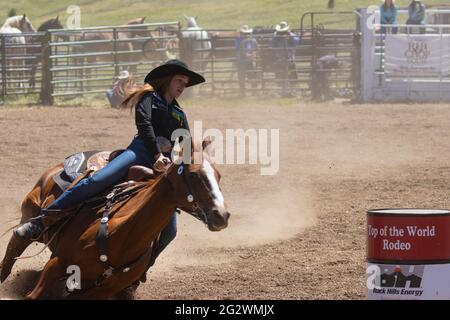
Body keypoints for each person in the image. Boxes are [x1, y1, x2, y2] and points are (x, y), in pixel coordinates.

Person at [15, 59, 205, 266]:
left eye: (185, 83)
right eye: (179, 80)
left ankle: (140, 268)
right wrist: (157, 154)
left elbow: (185, 143)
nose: (182, 86)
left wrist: (195, 153)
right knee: (95, 181)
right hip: (140, 152)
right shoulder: (149, 99)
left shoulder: (178, 113)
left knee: (170, 231)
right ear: (167, 80)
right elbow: (145, 126)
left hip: (163, 165)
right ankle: (40, 222)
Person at [270, 21, 300, 98]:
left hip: (290, 58)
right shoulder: (276, 37)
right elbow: (272, 44)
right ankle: (281, 91)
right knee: (280, 75)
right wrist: (276, 37)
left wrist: (290, 35)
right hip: (280, 58)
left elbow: (297, 41)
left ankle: (293, 91)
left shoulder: (291, 35)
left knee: (292, 75)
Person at [235, 25, 259, 97]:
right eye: (245, 33)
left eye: (248, 33)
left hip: (249, 61)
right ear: (241, 33)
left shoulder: (252, 40)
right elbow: (239, 49)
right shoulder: (238, 40)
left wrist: (252, 54)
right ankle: (243, 92)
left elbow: (256, 49)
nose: (246, 35)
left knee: (252, 76)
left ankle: (253, 91)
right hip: (241, 61)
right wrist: (247, 55)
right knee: (242, 77)